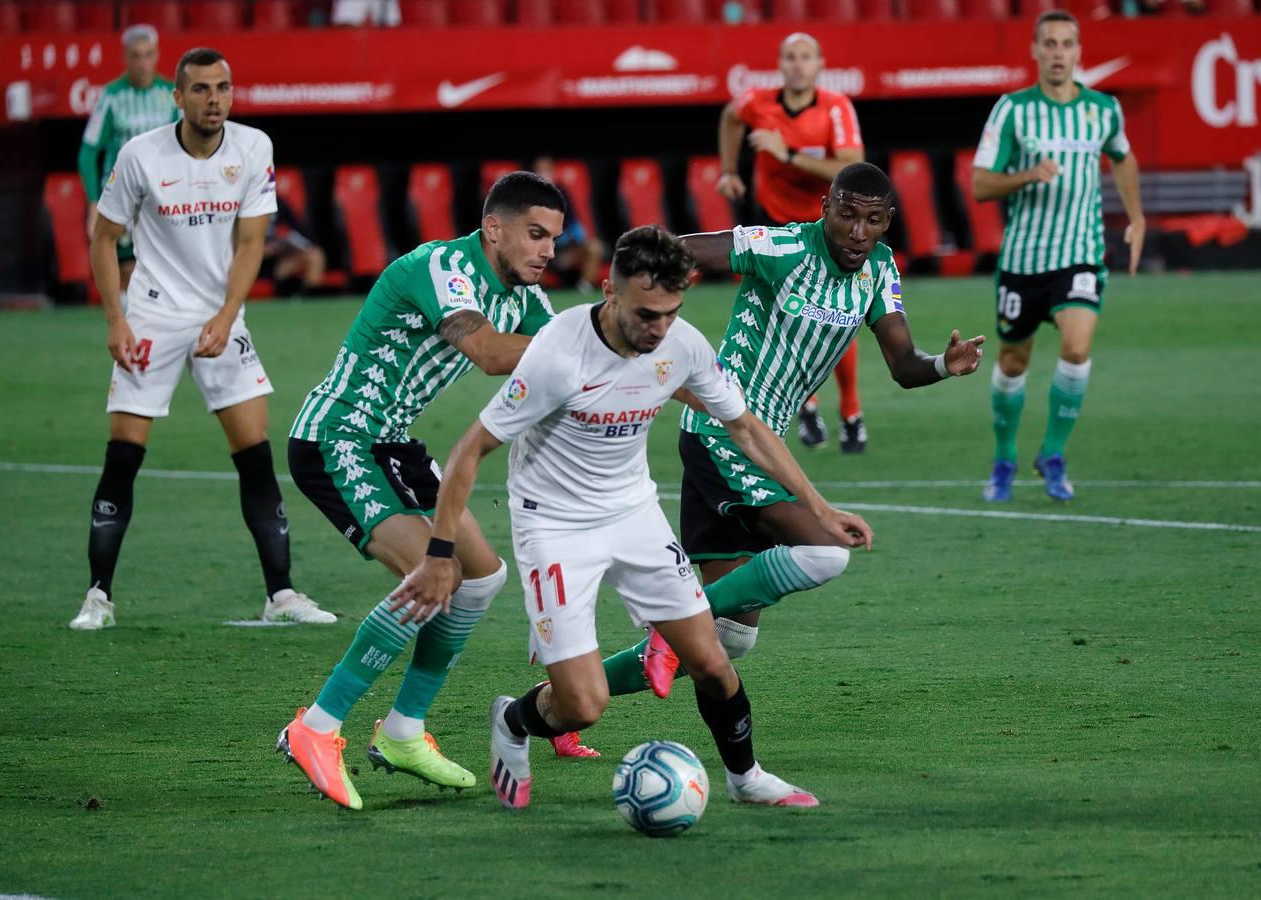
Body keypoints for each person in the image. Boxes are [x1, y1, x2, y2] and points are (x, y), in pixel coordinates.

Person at [396, 226, 873, 810]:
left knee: (712, 659)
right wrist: (442, 553)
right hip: (555, 528)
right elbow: (470, 450)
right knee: (583, 706)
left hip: (633, 513)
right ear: (610, 291)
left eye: (671, 313)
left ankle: (745, 778)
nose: (658, 329)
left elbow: (745, 426)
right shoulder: (557, 354)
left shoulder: (682, 344)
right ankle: (516, 719)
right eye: (647, 313)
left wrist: (819, 509)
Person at [583, 163, 985, 707]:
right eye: (846, 216)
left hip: (761, 445)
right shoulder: (781, 247)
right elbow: (679, 250)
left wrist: (942, 364)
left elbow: (903, 363)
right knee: (822, 549)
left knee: (730, 637)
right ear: (826, 208)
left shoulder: (881, 268)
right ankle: (669, 628)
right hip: (722, 431)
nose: (858, 233)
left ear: (888, 221)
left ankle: (558, 699)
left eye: (872, 220)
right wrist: (632, 298)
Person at [275, 172, 573, 811]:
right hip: (340, 437)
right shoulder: (442, 267)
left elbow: (567, 348)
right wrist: (599, 340)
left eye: (554, 238)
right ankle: (317, 727)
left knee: (481, 577)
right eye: (535, 234)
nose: (548, 250)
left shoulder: (523, 294)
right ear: (494, 227)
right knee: (431, 577)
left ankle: (405, 730)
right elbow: (493, 354)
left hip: (394, 442)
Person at [72, 48, 332, 631]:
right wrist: (117, 321)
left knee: (256, 458)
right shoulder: (140, 156)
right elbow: (103, 238)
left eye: (223, 87)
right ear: (178, 96)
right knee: (123, 458)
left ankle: (282, 594)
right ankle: (98, 596)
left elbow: (250, 245)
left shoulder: (253, 147)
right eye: (201, 89)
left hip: (222, 317)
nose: (214, 99)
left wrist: (227, 314)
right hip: (153, 319)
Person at [971, 10, 1145, 503]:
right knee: (1011, 362)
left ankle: (1052, 452)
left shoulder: (1102, 109)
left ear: (1078, 52)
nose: (1058, 52)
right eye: (1049, 43)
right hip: (1023, 260)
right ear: (1034, 50)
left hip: (1080, 255)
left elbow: (1123, 156)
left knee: (1076, 348)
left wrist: (1137, 218)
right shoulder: (1013, 110)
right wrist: (1026, 175)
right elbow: (981, 183)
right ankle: (1005, 457)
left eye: (1066, 43)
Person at [717, 32, 869, 453]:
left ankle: (851, 412)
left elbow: (852, 167)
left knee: (838, 317)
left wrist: (788, 154)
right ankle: (808, 407)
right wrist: (730, 170)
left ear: (820, 63)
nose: (798, 64)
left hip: (825, 226)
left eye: (806, 57)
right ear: (780, 64)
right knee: (781, 317)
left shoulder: (836, 108)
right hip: (774, 224)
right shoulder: (758, 102)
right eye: (790, 57)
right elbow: (731, 116)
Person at [76, 24, 179, 300]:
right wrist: (93, 203)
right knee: (125, 270)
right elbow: (88, 152)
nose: (142, 62)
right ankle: (127, 330)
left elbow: (187, 148)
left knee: (162, 269)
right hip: (121, 195)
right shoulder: (112, 96)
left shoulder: (172, 94)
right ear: (125, 57)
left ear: (157, 55)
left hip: (162, 196)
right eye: (136, 55)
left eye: (148, 54)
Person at [532, 157, 605, 290]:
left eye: (546, 169)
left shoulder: (561, 192)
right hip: (541, 252)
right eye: (540, 170)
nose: (544, 173)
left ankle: (583, 289)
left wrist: (569, 241)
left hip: (564, 250)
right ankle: (536, 292)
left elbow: (573, 226)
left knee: (595, 248)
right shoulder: (528, 195)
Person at [260, 195, 326, 296]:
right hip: (254, 260)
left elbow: (297, 229)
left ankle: (309, 297)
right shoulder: (247, 203)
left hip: (278, 259)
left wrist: (284, 245)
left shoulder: (278, 202)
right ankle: (280, 294)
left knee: (316, 255)